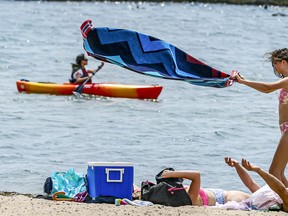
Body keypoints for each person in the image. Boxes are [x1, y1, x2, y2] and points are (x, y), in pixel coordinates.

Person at [231, 48, 288, 187]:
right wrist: (244, 80)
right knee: (278, 172)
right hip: (285, 128)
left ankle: (284, 201)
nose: (274, 66)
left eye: (275, 63)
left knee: (274, 171)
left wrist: (244, 82)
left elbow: (267, 88)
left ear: (284, 62)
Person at [161, 168, 250, 206]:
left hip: (216, 194)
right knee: (256, 198)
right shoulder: (190, 198)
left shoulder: (179, 194)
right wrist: (172, 174)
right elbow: (196, 175)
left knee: (258, 197)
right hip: (225, 198)